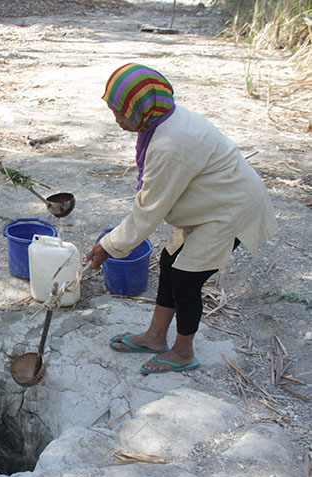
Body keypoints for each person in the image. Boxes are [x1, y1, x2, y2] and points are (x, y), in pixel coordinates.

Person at [85, 63, 277, 374]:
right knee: (168, 262)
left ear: (144, 107)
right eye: (115, 112)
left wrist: (108, 246)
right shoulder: (162, 120)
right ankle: (155, 337)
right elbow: (154, 201)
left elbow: (149, 210)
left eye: (122, 113)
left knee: (187, 279)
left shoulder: (170, 145)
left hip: (230, 209)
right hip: (211, 202)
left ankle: (183, 352)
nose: (118, 120)